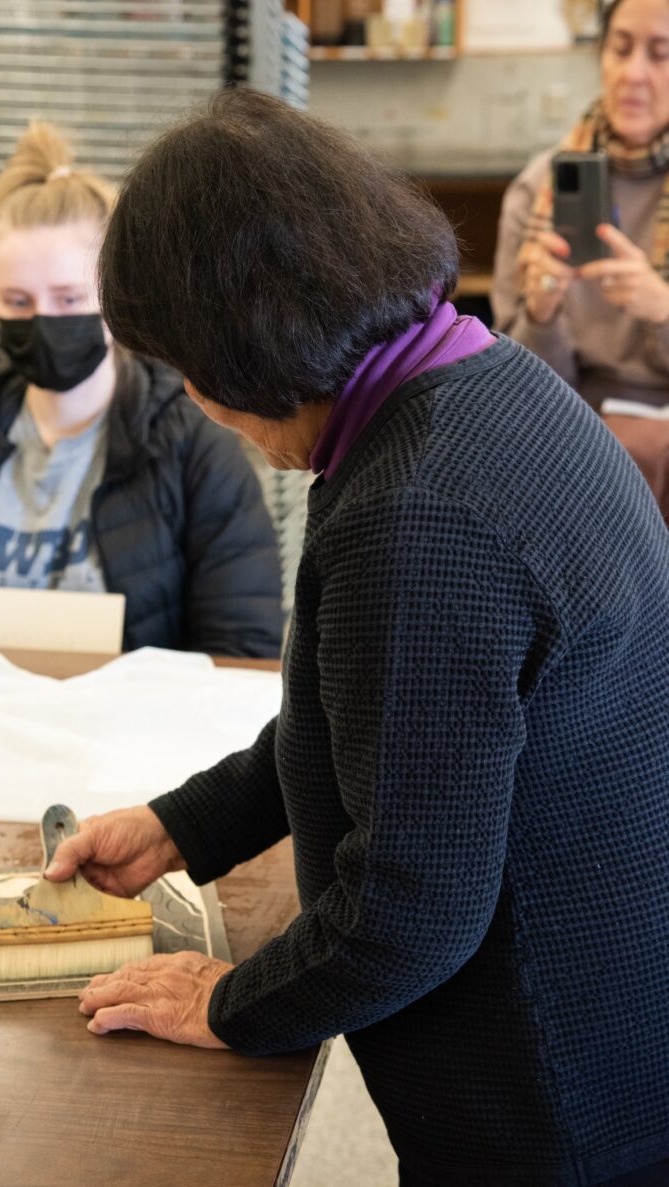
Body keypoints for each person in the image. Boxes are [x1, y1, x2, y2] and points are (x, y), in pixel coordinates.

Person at [45, 90, 669, 1186]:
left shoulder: (417, 514)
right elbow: (395, 720)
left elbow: (411, 912)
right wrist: (184, 824)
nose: (197, 399)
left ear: (245, 350)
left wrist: (230, 1001)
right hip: (615, 1019)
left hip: (553, 1104)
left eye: (191, 367)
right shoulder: (482, 376)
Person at [0, 122, 282, 658]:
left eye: (69, 299)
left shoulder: (194, 449)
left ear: (113, 296)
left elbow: (241, 650)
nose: (43, 319)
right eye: (18, 302)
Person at [492, 0, 669, 524]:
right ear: (600, 56)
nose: (633, 73)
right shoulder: (537, 189)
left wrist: (662, 310)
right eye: (620, 49)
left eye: (660, 54)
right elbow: (516, 385)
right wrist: (542, 313)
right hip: (570, 422)